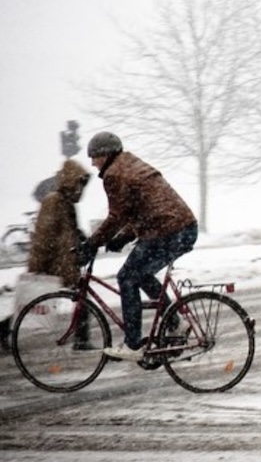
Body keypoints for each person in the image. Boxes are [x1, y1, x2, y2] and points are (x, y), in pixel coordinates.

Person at [80, 132, 199, 362]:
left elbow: (116, 216)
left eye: (94, 157)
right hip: (181, 228)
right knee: (140, 275)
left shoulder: (115, 174)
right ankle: (176, 322)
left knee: (127, 277)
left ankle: (133, 344)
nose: (93, 163)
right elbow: (142, 209)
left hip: (168, 231)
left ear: (106, 154)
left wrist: (92, 243)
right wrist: (123, 238)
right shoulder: (129, 165)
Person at [0, 160, 92, 351]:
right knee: (33, 303)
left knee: (76, 298)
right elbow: (44, 236)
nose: (81, 190)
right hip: (54, 264)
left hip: (64, 261)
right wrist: (38, 267)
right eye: (79, 184)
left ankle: (82, 340)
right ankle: (2, 330)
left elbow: (70, 231)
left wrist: (84, 240)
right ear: (71, 182)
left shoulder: (66, 203)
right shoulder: (53, 201)